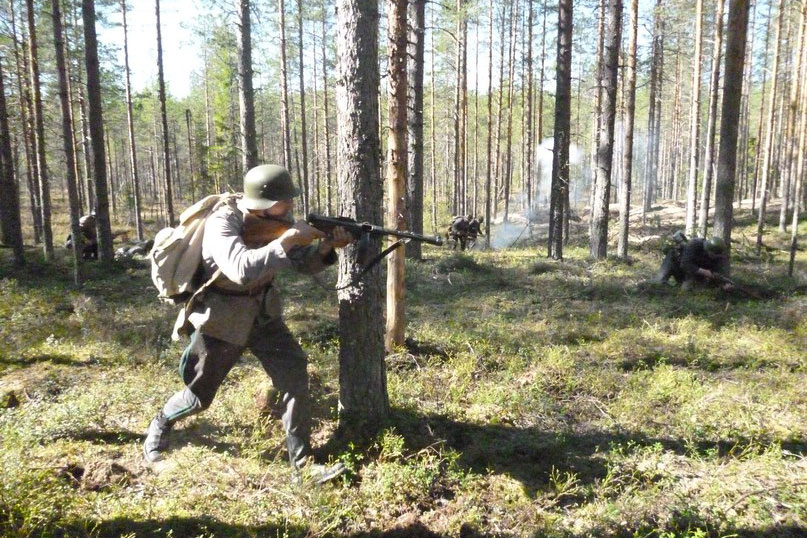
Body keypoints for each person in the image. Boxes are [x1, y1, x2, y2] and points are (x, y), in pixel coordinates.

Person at [143, 164, 353, 485]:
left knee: (294, 372)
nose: (290, 209)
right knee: (200, 395)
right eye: (285, 203)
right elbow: (240, 268)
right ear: (265, 204)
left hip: (263, 314)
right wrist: (287, 240)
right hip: (222, 319)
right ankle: (160, 424)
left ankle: (302, 465)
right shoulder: (223, 223)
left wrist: (324, 248)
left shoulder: (277, 224)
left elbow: (303, 265)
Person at [656, 235, 732, 291]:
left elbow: (721, 273)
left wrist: (725, 284)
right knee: (658, 282)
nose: (714, 257)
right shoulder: (695, 244)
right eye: (712, 254)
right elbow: (685, 264)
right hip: (675, 262)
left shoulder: (719, 258)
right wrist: (704, 272)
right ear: (708, 250)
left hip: (692, 272)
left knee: (690, 290)